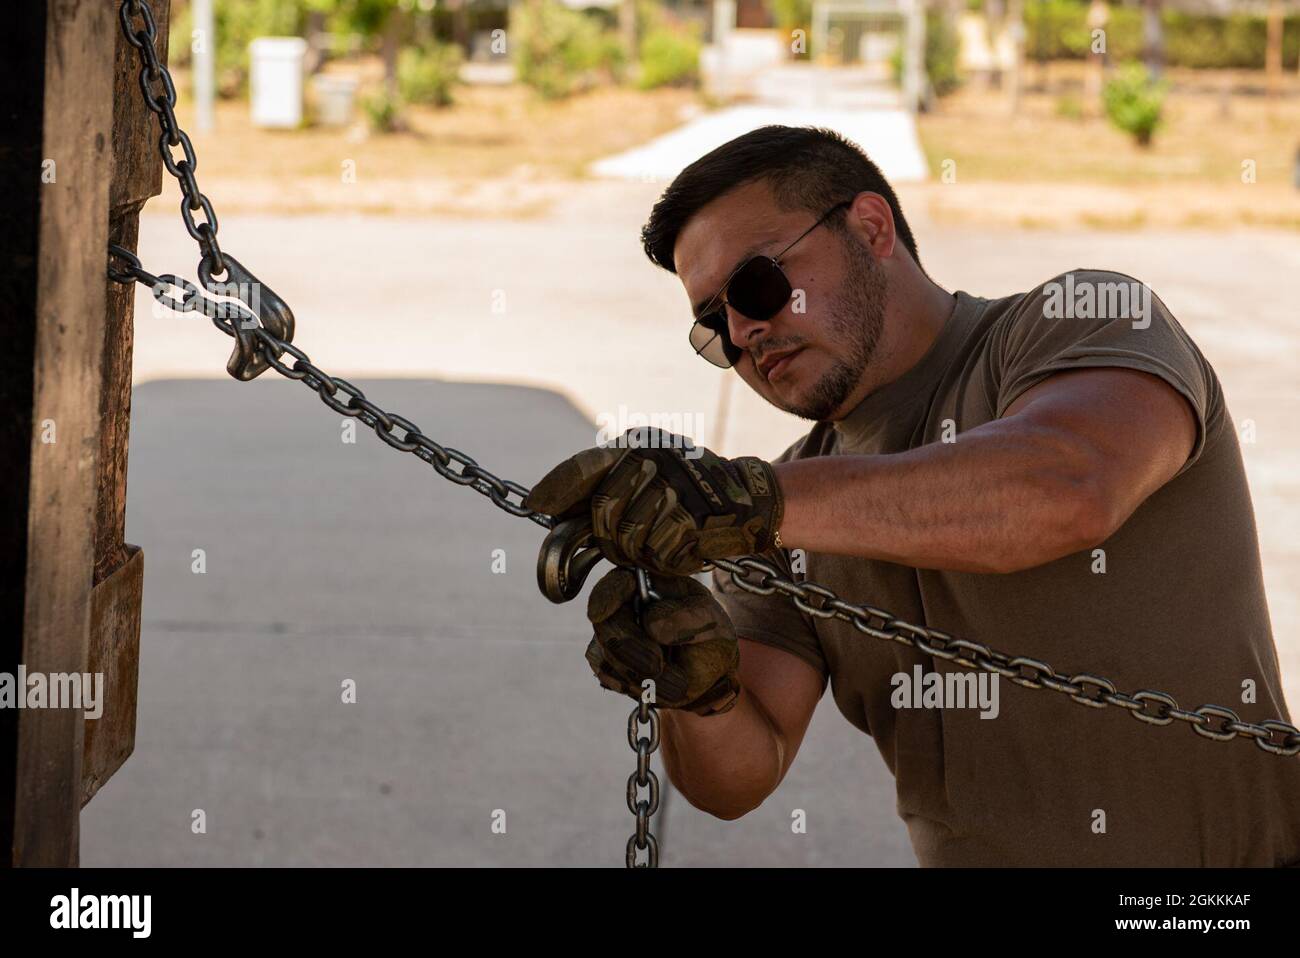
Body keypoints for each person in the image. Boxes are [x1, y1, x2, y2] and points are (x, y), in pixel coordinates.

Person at [525, 125, 1300, 866]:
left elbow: (1069, 486)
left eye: (755, 286)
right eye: (713, 326)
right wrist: (690, 686)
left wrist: (749, 501)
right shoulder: (780, 508)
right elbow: (739, 776)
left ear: (870, 229)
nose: (745, 332)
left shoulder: (1078, 324)